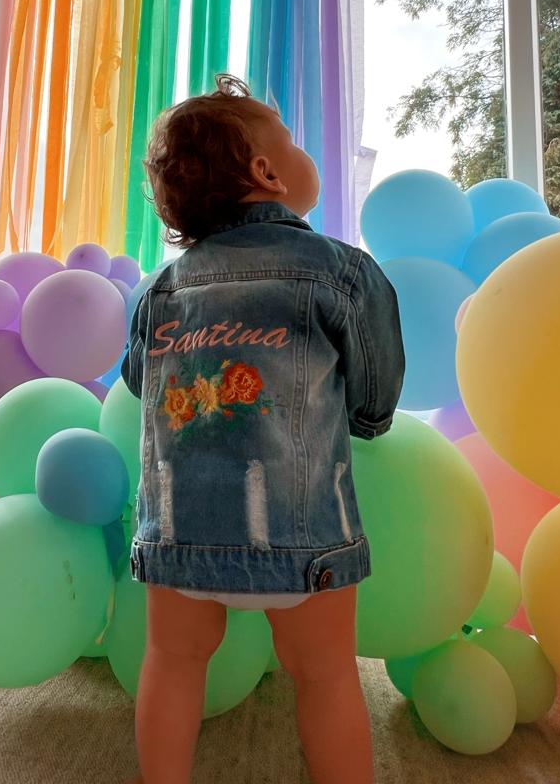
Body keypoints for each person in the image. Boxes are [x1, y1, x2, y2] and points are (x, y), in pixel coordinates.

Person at [122, 74, 405, 784]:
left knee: (173, 662)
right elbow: (376, 384)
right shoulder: (341, 270)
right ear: (267, 173)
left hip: (179, 529)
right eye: (295, 145)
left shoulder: (161, 289)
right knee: (328, 677)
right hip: (304, 533)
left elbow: (139, 381)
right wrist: (366, 420)